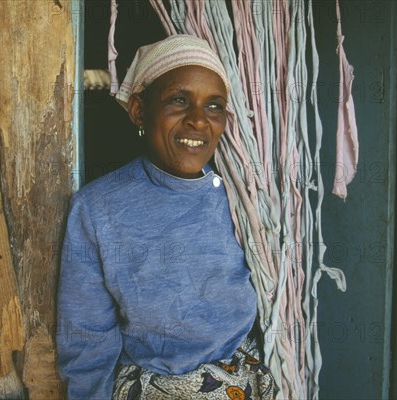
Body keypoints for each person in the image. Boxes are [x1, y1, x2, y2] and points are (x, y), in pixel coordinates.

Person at [57, 34, 277, 400]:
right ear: (139, 110)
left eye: (214, 106)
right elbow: (86, 333)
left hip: (240, 381)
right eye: (179, 100)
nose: (198, 121)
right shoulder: (98, 207)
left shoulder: (243, 200)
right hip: (151, 383)